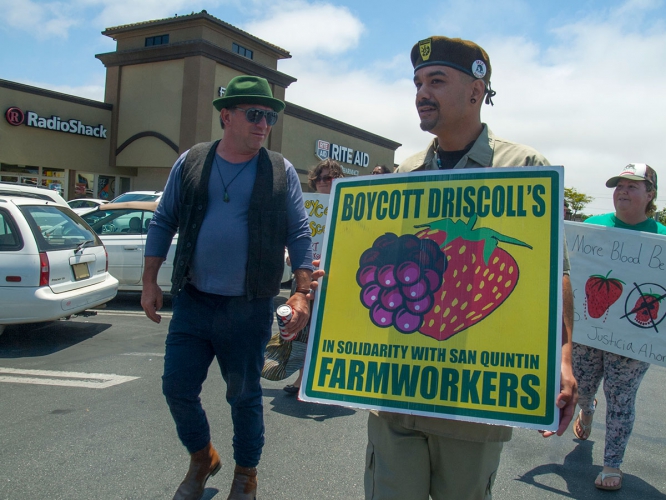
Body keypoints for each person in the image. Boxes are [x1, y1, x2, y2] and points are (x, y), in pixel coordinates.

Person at [363, 36, 577, 500]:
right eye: (418, 83)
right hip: (395, 392)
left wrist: (562, 357)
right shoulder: (406, 172)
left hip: (473, 404)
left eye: (436, 81)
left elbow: (553, 274)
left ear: (477, 90)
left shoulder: (524, 167)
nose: (422, 92)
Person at [141, 75, 313, 500]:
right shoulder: (192, 161)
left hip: (248, 306)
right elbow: (163, 220)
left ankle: (245, 475)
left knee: (244, 396)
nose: (263, 124)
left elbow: (299, 231)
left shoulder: (280, 170)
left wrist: (301, 290)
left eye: (269, 116)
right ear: (227, 116)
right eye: (254, 114)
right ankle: (202, 458)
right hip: (194, 300)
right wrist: (148, 281)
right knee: (177, 388)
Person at [572, 163, 665, 491]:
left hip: (633, 339)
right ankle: (587, 409)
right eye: (619, 186)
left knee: (621, 397)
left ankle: (612, 464)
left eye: (632, 186)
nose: (622, 192)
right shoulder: (591, 227)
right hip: (588, 332)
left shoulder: (662, 238)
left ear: (649, 194)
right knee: (582, 385)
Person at [280, 159, 344, 394]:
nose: (323, 182)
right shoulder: (304, 206)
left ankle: (327, 380)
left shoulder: (346, 207)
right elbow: (294, 237)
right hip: (306, 278)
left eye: (329, 177)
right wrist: (292, 256)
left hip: (333, 278)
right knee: (301, 328)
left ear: (338, 179)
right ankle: (302, 378)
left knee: (328, 331)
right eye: (319, 178)